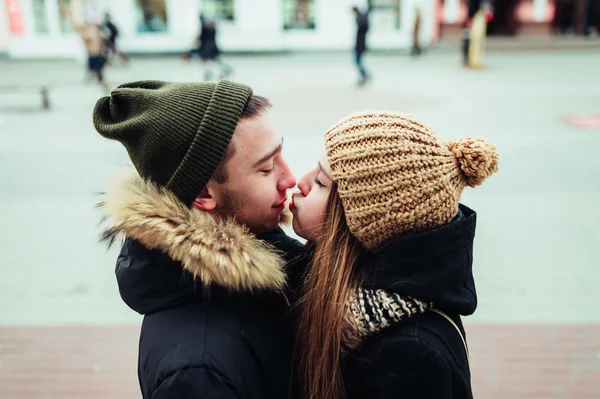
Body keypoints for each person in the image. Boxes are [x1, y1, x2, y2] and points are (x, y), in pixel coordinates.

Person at [93, 80, 301, 398]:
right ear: (204, 193)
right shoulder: (197, 373)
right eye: (266, 168)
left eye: (281, 155)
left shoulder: (266, 257)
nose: (290, 179)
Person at [290, 112, 499, 399]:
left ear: (364, 222)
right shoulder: (333, 283)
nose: (297, 182)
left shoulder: (408, 356)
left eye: (320, 183)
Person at [352, 6, 370, 87]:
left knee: (357, 61)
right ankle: (363, 76)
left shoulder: (361, 20)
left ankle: (364, 75)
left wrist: (357, 19)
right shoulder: (361, 19)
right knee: (358, 62)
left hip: (360, 45)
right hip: (359, 45)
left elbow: (362, 27)